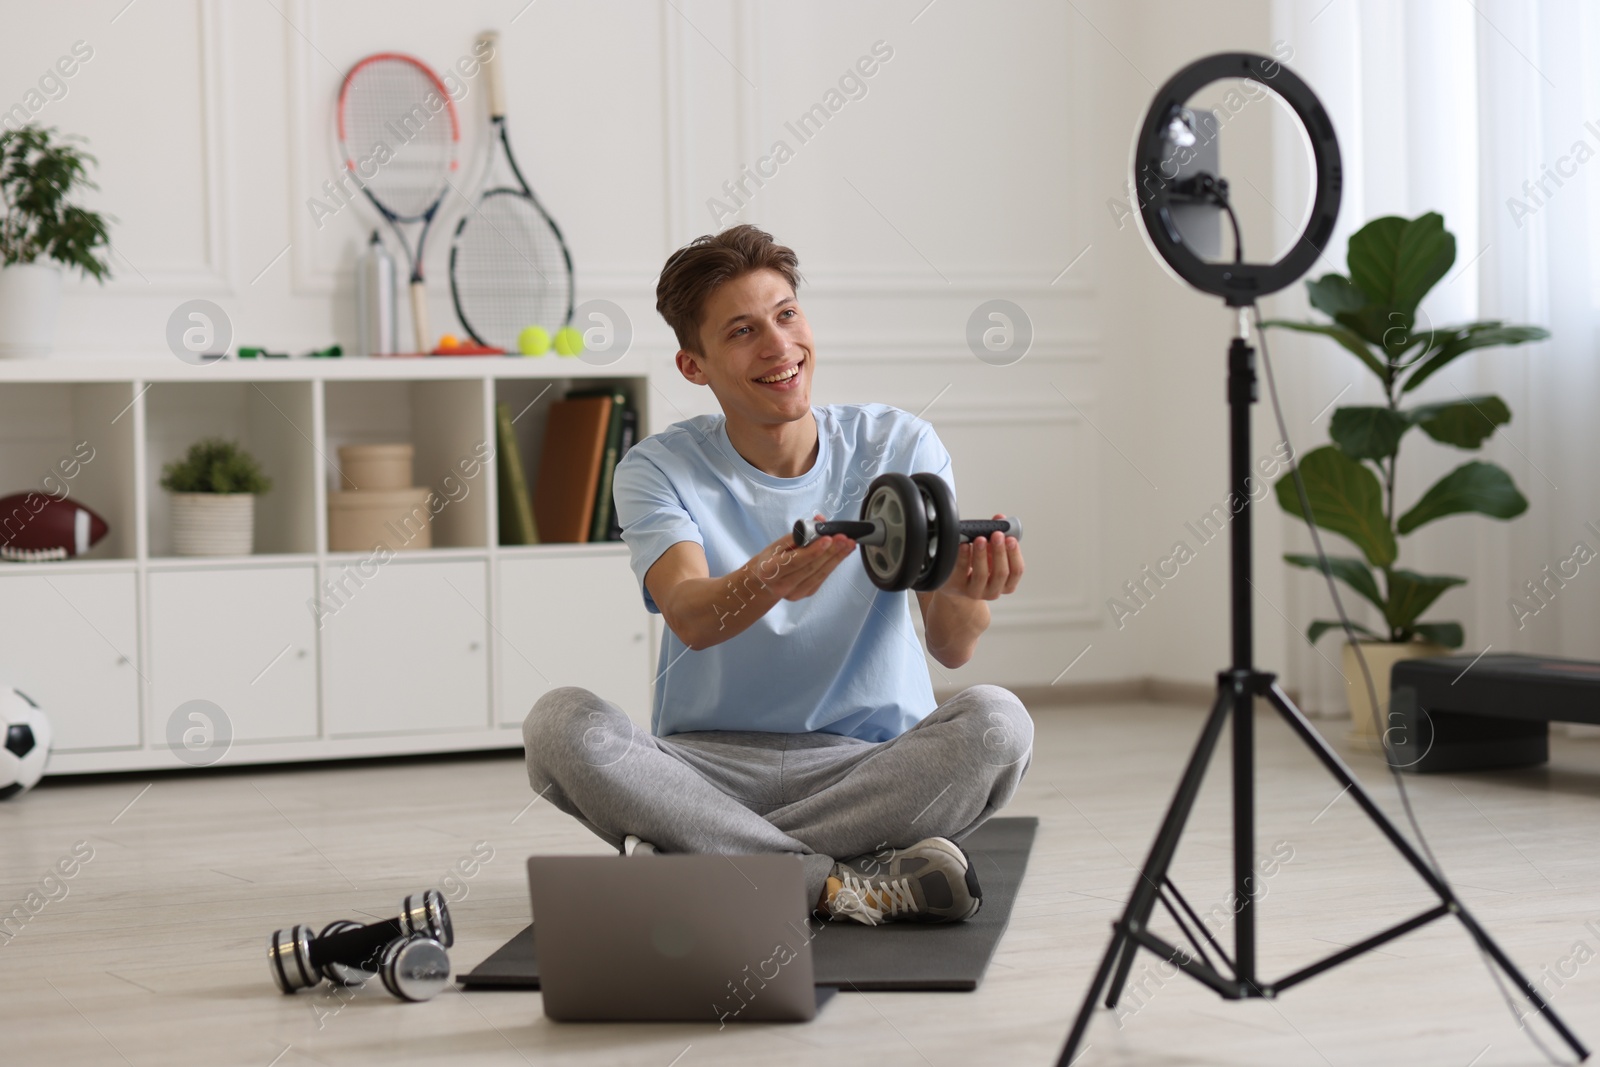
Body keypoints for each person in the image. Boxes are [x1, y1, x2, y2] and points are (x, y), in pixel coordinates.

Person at [522, 224, 1032, 926]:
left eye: (786, 314)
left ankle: (711, 862)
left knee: (1000, 724)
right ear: (693, 366)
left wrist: (968, 594)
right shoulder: (654, 468)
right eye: (741, 331)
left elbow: (952, 646)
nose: (778, 346)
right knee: (559, 725)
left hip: (866, 769)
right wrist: (765, 579)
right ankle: (834, 879)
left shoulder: (899, 443)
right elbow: (692, 615)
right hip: (708, 772)